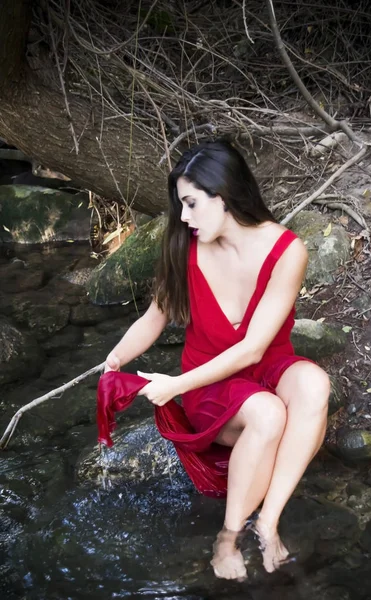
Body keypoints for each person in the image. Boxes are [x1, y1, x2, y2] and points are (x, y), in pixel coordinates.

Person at [102, 140, 330, 581]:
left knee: (315, 384)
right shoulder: (184, 249)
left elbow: (255, 349)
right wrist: (114, 359)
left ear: (222, 194)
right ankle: (227, 536)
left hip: (264, 366)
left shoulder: (287, 251)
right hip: (211, 387)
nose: (183, 217)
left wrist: (172, 384)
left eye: (190, 204)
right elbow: (154, 317)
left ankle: (268, 521)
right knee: (266, 412)